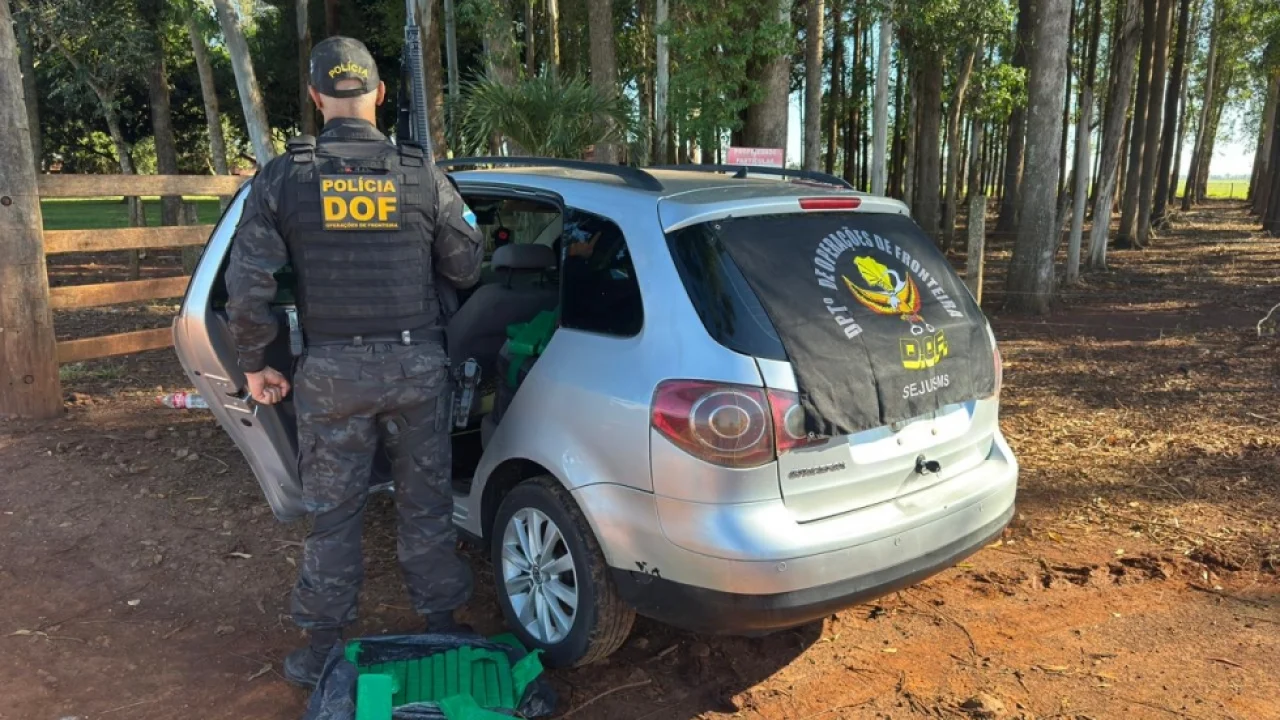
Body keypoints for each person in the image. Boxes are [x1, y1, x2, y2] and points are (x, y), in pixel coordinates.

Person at [223, 36, 484, 688]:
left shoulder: (285, 176)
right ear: (380, 94)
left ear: (316, 98)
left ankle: (320, 648)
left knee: (334, 513)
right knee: (424, 504)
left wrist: (254, 364)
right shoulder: (421, 173)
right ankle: (443, 627)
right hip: (415, 367)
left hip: (331, 373)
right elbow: (467, 263)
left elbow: (247, 285)